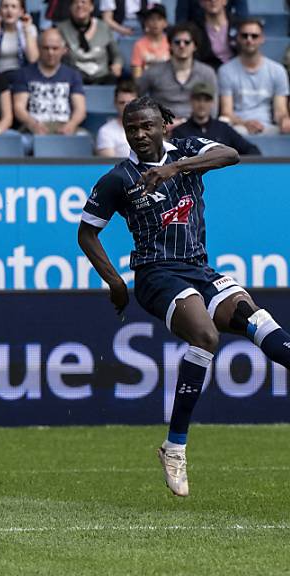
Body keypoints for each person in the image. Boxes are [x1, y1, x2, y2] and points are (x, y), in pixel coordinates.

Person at [78, 95, 290, 498]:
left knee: (259, 323)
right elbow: (87, 232)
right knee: (206, 337)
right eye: (132, 129)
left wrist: (174, 167)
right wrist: (116, 283)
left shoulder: (189, 149)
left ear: (164, 125)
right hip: (156, 275)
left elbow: (231, 154)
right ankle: (174, 448)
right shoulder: (119, 179)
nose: (140, 135)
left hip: (199, 268)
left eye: (147, 126)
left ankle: (173, 447)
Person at [218, 19, 290, 136]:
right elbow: (227, 112)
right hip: (238, 127)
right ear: (238, 38)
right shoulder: (225, 71)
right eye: (244, 36)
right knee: (235, 132)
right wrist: (245, 123)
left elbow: (280, 110)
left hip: (268, 127)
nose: (249, 40)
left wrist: (284, 120)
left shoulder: (278, 71)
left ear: (262, 39)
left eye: (254, 36)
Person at [138, 23, 218, 124]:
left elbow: (214, 107)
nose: (182, 45)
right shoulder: (153, 72)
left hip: (197, 127)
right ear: (170, 45)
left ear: (195, 46)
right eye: (177, 42)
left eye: (187, 42)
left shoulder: (207, 73)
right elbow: (137, 98)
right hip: (162, 128)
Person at [12, 28, 87, 136]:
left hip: (64, 126)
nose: (50, 52)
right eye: (45, 48)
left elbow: (80, 109)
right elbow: (19, 107)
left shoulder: (73, 75)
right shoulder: (24, 74)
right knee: (23, 143)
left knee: (85, 140)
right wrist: (32, 124)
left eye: (55, 48)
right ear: (39, 48)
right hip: (34, 128)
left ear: (63, 50)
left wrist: (71, 125)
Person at [172, 82, 260, 155]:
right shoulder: (180, 132)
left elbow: (252, 150)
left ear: (212, 102)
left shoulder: (223, 128)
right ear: (191, 101)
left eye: (206, 100)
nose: (202, 104)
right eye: (198, 99)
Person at [57, 0, 122, 85]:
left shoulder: (104, 27)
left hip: (102, 78)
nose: (79, 5)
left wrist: (117, 64)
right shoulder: (61, 29)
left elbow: (116, 54)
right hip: (72, 79)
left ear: (91, 7)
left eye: (83, 2)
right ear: (70, 7)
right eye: (75, 2)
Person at [0, 0, 38, 84]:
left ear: (21, 12)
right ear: (0, 11)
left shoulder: (30, 28)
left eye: (13, 7)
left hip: (22, 77)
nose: (9, 11)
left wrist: (26, 31)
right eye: (5, 6)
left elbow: (33, 59)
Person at [95, 79, 137, 157]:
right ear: (115, 103)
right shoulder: (106, 131)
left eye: (130, 103)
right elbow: (108, 166)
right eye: (122, 102)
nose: (126, 106)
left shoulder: (149, 129)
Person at [191, 0, 237, 69]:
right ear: (201, 3)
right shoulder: (195, 30)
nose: (213, 1)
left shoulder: (238, 25)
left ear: (225, 1)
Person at [130, 4, 170, 80]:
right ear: (146, 23)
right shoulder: (139, 45)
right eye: (152, 19)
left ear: (165, 23)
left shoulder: (171, 43)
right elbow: (137, 76)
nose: (155, 23)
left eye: (159, 19)